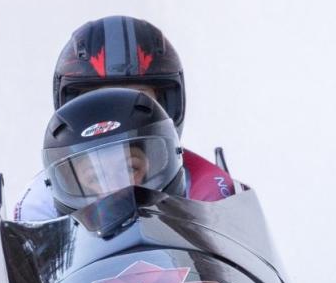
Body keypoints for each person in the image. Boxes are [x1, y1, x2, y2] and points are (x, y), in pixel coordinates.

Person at [14, 15, 237, 221]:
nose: (118, 115)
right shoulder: (39, 204)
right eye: (100, 102)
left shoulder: (211, 190)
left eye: (137, 100)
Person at [41, 87, 185, 215]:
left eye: (130, 169)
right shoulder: (34, 210)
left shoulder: (205, 195)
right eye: (95, 178)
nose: (116, 189)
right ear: (73, 185)